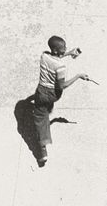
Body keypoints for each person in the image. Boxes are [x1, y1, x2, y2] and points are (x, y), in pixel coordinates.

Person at [33, 36, 88, 166]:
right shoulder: (61, 67)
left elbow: (54, 58)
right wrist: (78, 76)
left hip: (41, 92)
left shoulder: (44, 56)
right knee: (43, 118)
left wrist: (68, 54)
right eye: (64, 48)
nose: (66, 49)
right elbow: (62, 86)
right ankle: (42, 149)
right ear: (57, 51)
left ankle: (43, 152)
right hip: (53, 94)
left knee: (40, 117)